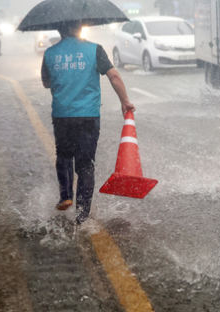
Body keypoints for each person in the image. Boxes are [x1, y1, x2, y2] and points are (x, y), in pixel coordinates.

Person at [41, 21, 135, 224]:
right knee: (85, 165)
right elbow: (114, 76)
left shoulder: (50, 53)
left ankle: (66, 195)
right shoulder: (94, 50)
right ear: (80, 28)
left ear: (60, 30)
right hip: (88, 116)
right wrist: (125, 101)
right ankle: (82, 215)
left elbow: (46, 82)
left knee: (64, 155)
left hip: (62, 115)